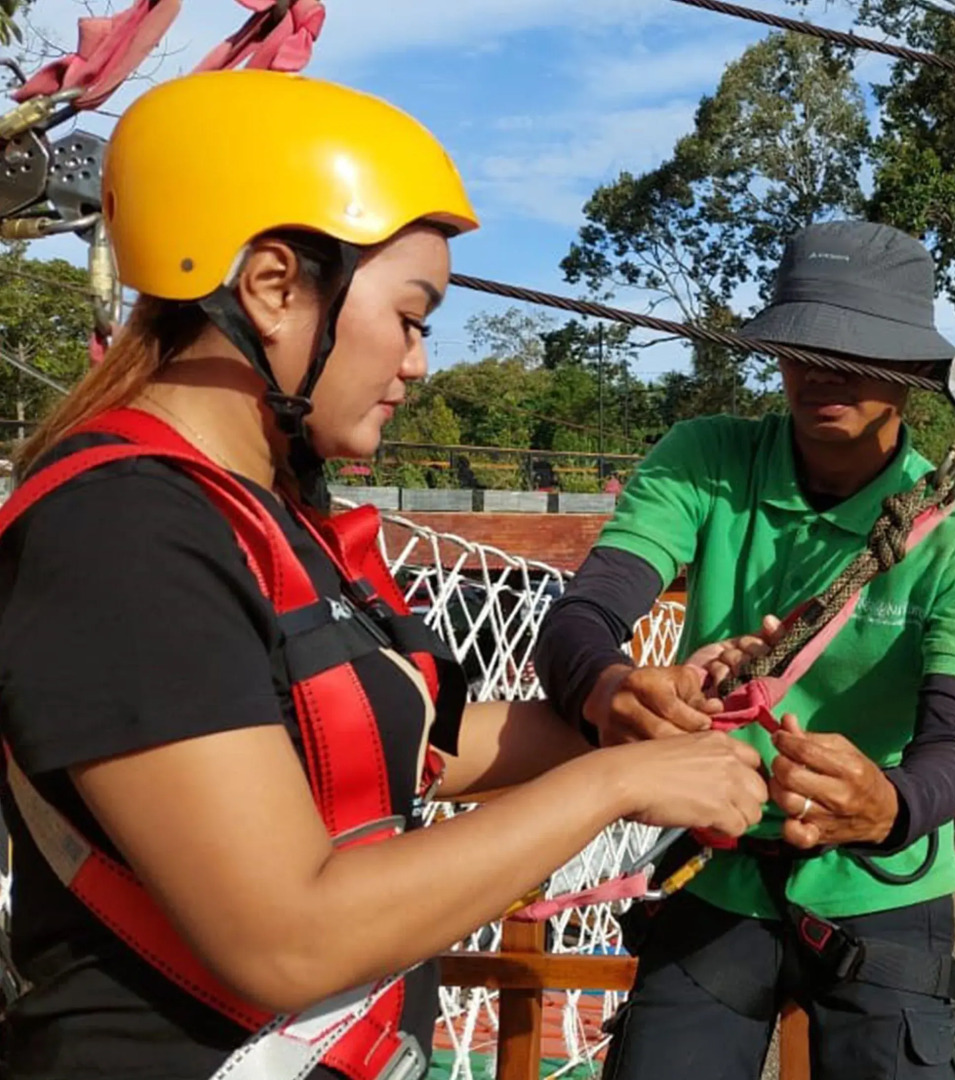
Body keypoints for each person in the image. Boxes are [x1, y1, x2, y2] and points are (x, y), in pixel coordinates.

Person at [0, 70, 771, 1080]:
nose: (417, 363)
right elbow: (286, 938)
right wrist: (617, 780)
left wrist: (617, 714)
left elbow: (424, 748)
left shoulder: (271, 516)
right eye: (411, 317)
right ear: (274, 287)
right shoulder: (123, 532)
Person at [533, 221, 955, 1080]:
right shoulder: (707, 461)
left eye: (858, 352)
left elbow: (954, 745)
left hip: (885, 884)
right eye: (802, 342)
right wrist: (609, 689)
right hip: (715, 870)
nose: (821, 368)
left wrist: (888, 805)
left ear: (913, 372)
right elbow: (583, 619)